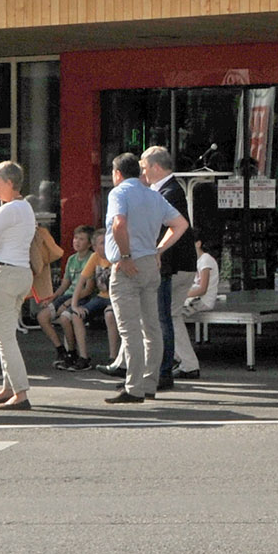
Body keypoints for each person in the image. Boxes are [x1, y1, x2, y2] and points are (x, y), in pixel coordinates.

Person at [102, 149, 187, 405]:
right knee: (152, 327)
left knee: (130, 331)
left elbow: (119, 223)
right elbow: (180, 224)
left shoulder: (119, 193)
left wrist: (125, 255)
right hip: (151, 262)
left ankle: (134, 387)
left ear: (118, 174)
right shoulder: (153, 195)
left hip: (127, 265)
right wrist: (159, 249)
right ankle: (150, 383)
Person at [0, 161, 42, 411]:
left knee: (3, 337)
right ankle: (9, 387)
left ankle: (20, 392)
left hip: (3, 273)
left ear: (10, 183)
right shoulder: (26, 207)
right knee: (8, 333)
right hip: (22, 273)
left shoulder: (7, 210)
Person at [144, 147, 202, 388]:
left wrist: (156, 251)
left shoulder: (169, 192)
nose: (143, 173)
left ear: (156, 167)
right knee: (171, 315)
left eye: (145, 167)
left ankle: (166, 368)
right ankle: (187, 364)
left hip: (173, 266)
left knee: (163, 317)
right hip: (179, 265)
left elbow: (163, 227)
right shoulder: (168, 190)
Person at [48, 225, 111, 366]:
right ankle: (74, 354)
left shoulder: (112, 257)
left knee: (109, 315)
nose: (76, 241)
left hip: (98, 297)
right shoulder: (76, 259)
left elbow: (88, 289)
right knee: (67, 316)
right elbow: (72, 283)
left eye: (81, 239)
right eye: (75, 238)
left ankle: (113, 358)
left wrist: (69, 303)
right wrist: (71, 304)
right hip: (85, 297)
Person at [176, 239, 222, 376]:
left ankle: (182, 359)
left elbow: (202, 289)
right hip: (194, 298)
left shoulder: (206, 260)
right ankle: (177, 356)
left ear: (198, 243)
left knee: (171, 316)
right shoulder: (195, 261)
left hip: (201, 300)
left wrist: (181, 294)